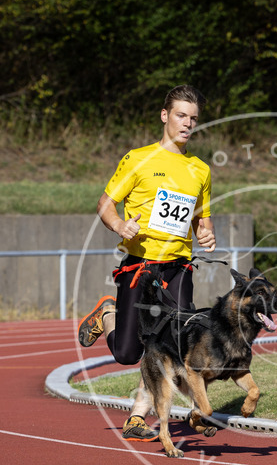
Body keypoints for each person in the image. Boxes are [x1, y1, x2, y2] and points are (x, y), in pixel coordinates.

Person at [78, 84, 216, 442]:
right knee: (127, 353)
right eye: (181, 116)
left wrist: (206, 233)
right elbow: (105, 204)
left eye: (194, 119)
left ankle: (139, 415)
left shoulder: (199, 169)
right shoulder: (137, 159)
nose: (187, 124)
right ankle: (107, 313)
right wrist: (120, 225)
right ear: (165, 115)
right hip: (140, 265)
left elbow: (203, 217)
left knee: (173, 345)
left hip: (178, 267)